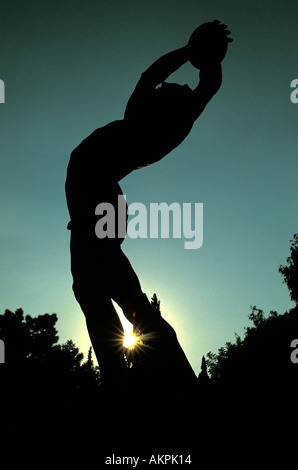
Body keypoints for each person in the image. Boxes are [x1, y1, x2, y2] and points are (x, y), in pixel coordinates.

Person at [65, 21, 232, 390]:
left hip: (96, 194)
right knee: (103, 287)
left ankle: (136, 378)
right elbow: (206, 85)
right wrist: (207, 55)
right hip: (99, 196)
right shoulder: (170, 120)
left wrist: (193, 51)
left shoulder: (146, 119)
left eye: (175, 88)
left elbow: (153, 74)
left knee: (102, 289)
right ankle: (153, 375)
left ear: (171, 103)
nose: (172, 84)